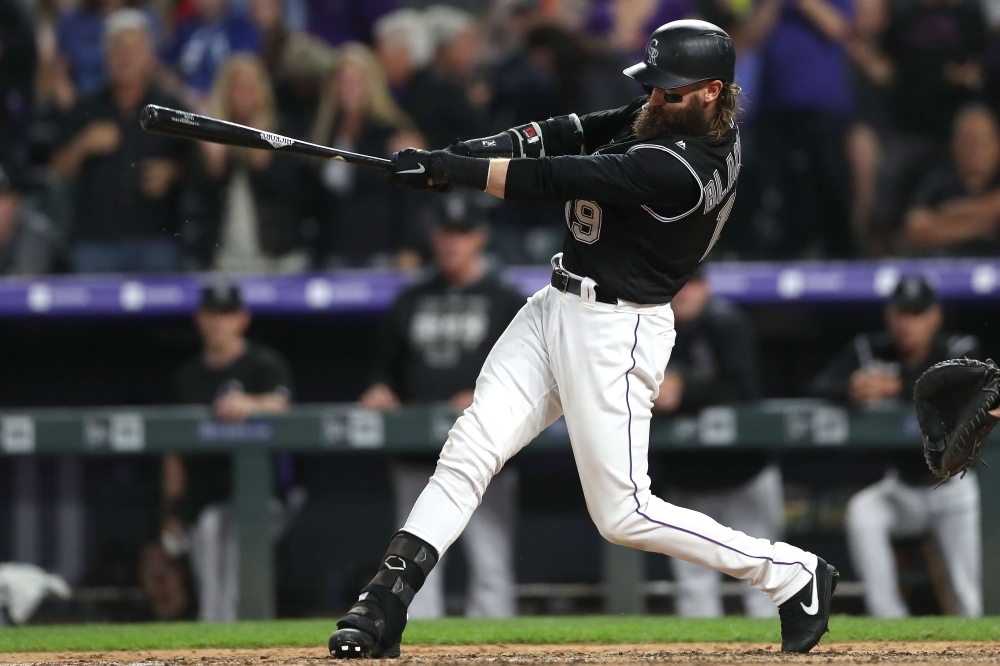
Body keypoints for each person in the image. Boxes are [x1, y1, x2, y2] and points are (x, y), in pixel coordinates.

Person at [329, 20, 837, 658]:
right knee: (470, 448)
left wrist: (450, 169)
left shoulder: (682, 166)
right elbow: (565, 131)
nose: (654, 99)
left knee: (625, 514)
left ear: (713, 91)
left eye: (670, 92)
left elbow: (555, 176)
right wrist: (458, 156)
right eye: (653, 88)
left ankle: (792, 573)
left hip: (617, 332)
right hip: (556, 306)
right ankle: (385, 601)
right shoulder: (674, 115)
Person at [360, 194, 525, 619]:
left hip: (482, 452)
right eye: (446, 234)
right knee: (414, 562)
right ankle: (418, 651)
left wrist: (486, 395)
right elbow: (384, 368)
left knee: (490, 562)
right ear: (433, 237)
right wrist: (379, 389)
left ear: (480, 238)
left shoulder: (504, 298)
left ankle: (497, 656)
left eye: (463, 233)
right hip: (416, 452)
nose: (453, 243)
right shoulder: (410, 297)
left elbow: (529, 370)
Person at [809, 275, 982, 618]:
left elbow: (962, 389)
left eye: (918, 313)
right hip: (901, 487)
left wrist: (897, 387)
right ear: (890, 315)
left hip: (954, 488)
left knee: (968, 593)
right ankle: (888, 619)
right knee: (864, 511)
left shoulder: (957, 347)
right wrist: (851, 387)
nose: (908, 322)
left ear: (935, 316)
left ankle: (974, 638)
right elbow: (819, 385)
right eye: (902, 312)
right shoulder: (870, 349)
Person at [162, 281, 298, 621]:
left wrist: (250, 403)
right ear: (199, 318)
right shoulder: (187, 376)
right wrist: (172, 510)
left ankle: (248, 649)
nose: (217, 322)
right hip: (204, 498)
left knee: (238, 569)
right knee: (212, 581)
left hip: (258, 495)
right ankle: (219, 650)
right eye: (211, 313)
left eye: (226, 313)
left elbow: (282, 405)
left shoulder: (264, 365)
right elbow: (173, 450)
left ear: (242, 318)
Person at [651, 269, 779, 618]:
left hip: (744, 474)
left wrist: (685, 390)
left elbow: (743, 389)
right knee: (694, 586)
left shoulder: (727, 324)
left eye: (692, 283)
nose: (684, 292)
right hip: (689, 479)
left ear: (705, 287)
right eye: (676, 283)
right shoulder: (649, 328)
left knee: (762, 579)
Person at [51, 9, 190, 273]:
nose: (125, 58)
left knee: (161, 314)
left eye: (134, 50)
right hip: (96, 243)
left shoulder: (171, 108)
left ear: (150, 57)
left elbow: (199, 167)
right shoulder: (85, 108)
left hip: (157, 240)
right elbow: (56, 172)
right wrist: (82, 145)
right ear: (106, 56)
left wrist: (174, 172)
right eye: (118, 49)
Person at [184, 55, 312, 272]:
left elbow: (297, 194)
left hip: (278, 257)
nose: (245, 95)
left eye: (251, 87)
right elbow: (197, 201)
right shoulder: (208, 136)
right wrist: (214, 165)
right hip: (222, 259)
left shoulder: (283, 131)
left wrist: (264, 162)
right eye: (238, 88)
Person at [754, 0, 856, 257]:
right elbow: (753, 36)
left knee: (830, 185)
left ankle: (840, 254)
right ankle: (783, 253)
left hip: (823, 107)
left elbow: (839, 28)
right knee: (779, 189)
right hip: (775, 107)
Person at [309, 44, 423, 269]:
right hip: (334, 250)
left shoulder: (392, 132)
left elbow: (408, 198)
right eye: (343, 80)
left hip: (380, 251)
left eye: (357, 81)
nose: (349, 88)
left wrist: (408, 247)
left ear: (372, 84)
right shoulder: (323, 133)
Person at [903, 104, 1000, 255]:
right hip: (949, 267)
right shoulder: (939, 179)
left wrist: (948, 216)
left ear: (997, 146)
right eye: (968, 141)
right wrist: (979, 225)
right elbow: (915, 230)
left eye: (982, 141)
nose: (975, 150)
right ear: (955, 144)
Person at [164, 0, 261, 108]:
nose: (208, 2)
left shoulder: (241, 28)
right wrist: (186, 95)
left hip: (228, 106)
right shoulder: (185, 29)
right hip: (186, 103)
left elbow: (246, 70)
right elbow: (166, 69)